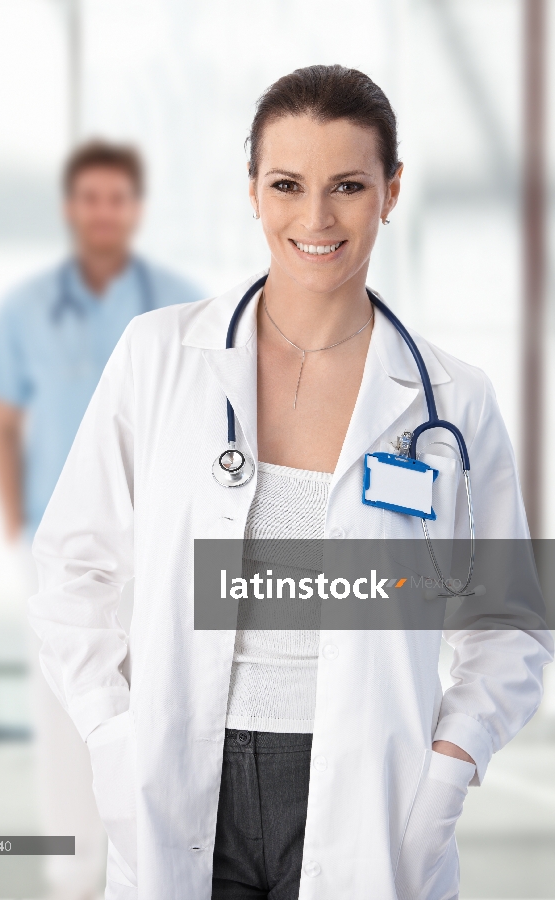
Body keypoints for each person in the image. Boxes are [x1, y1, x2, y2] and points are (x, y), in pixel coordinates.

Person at [28, 67, 552, 900]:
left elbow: (511, 620)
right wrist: (113, 733)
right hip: (180, 774)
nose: (316, 219)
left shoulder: (454, 400)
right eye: (287, 185)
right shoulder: (159, 356)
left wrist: (453, 764)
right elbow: (70, 569)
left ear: (391, 191)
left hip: (370, 793)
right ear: (252, 191)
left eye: (348, 185)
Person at [0, 140, 201, 900]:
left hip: (163, 550)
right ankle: (73, 878)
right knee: (69, 716)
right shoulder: (26, 311)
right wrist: (16, 531)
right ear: (72, 208)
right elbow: (2, 424)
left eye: (118, 198)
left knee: (164, 711)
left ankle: (162, 863)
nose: (104, 212)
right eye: (90, 198)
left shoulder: (179, 309)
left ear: (134, 208)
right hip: (62, 548)